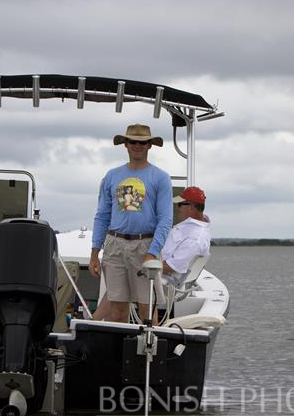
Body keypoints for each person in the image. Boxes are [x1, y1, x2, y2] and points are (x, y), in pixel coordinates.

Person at [89, 123, 172, 324]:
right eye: (132, 141)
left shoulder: (161, 177)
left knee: (146, 306)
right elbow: (102, 215)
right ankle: (118, 353)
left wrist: (152, 252)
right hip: (114, 245)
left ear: (150, 146)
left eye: (142, 142)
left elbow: (165, 219)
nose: (137, 145)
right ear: (125, 144)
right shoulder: (111, 176)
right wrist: (94, 252)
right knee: (117, 308)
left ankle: (147, 354)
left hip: (145, 245)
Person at [93, 186, 211, 321]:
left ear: (191, 207)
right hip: (156, 266)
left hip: (163, 277)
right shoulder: (193, 227)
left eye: (180, 204)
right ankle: (99, 323)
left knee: (120, 279)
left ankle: (93, 322)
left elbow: (174, 267)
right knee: (119, 276)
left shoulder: (196, 238)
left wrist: (143, 264)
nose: (177, 208)